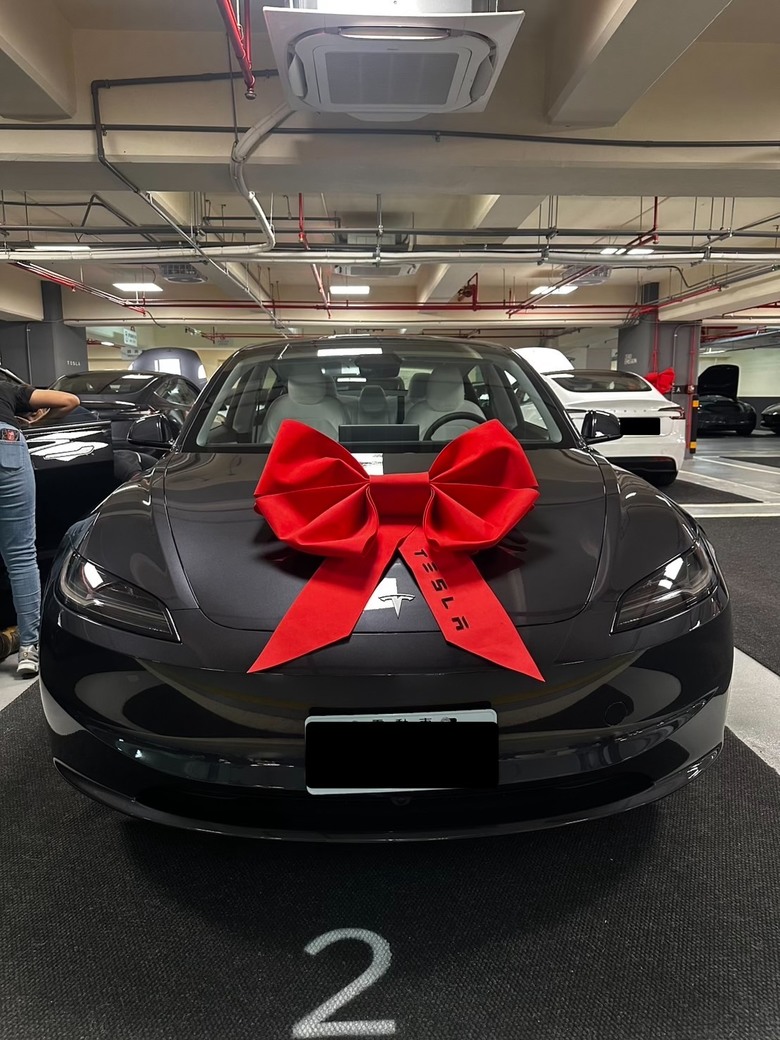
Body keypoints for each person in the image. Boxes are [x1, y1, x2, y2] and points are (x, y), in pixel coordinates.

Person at [0, 382, 80, 678]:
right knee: (20, 556)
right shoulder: (6, 389)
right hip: (6, 443)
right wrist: (34, 424)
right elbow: (69, 400)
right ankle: (28, 649)